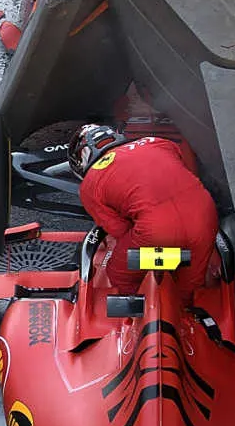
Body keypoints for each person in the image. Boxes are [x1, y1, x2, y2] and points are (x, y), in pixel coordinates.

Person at [70, 124, 219, 298]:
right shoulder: (160, 143)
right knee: (189, 288)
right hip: (206, 216)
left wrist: (164, 256)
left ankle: (140, 316)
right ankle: (188, 314)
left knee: (120, 273)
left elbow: (119, 230)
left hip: (156, 230)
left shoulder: (90, 184)